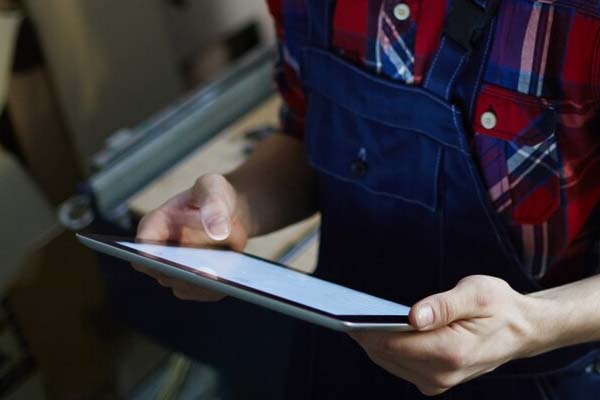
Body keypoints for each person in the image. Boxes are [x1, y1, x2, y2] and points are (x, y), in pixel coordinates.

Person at [135, 0, 600, 398]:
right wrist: (233, 208)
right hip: (338, 364)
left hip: (535, 376)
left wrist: (532, 324)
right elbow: (304, 135)